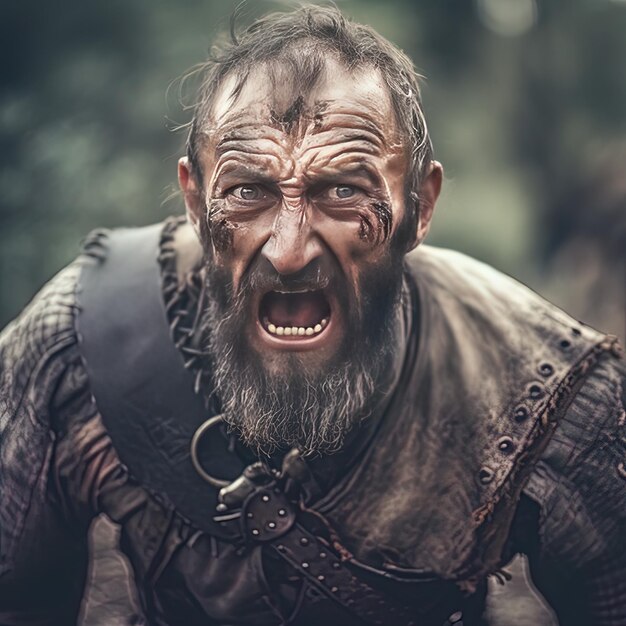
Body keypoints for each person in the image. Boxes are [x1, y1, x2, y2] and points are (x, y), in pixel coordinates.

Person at [1, 6, 624, 626]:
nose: (290, 251)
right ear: (195, 200)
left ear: (418, 207)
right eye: (248, 190)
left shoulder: (548, 387)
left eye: (344, 190)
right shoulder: (79, 339)